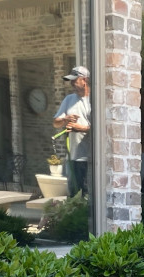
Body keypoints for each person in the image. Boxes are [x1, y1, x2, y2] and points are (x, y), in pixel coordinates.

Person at [53, 66, 91, 196]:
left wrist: (80, 128)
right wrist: (65, 119)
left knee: (87, 195)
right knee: (73, 195)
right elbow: (55, 123)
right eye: (71, 81)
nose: (72, 84)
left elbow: (101, 129)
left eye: (75, 80)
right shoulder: (69, 99)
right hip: (72, 157)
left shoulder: (94, 101)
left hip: (89, 157)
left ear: (84, 80)